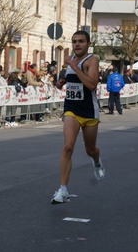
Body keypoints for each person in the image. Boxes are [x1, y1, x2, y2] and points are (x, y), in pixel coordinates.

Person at [51, 30, 104, 204]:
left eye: (81, 41)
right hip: (71, 109)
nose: (77, 44)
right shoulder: (70, 60)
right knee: (67, 147)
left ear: (88, 44)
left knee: (90, 149)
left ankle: (96, 161)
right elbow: (73, 79)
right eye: (74, 41)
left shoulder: (91, 60)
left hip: (89, 111)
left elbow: (91, 84)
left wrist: (73, 66)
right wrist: (62, 82)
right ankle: (63, 190)